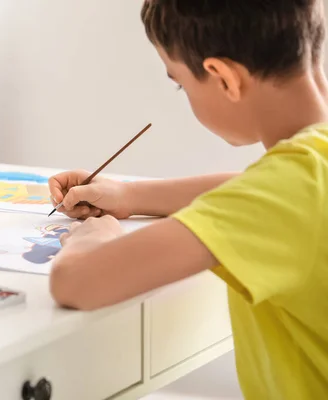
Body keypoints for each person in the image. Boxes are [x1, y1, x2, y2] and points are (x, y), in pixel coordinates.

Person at [48, 1, 328, 398]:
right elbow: (263, 191)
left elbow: (76, 283)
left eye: (180, 82)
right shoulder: (304, 176)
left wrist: (93, 235)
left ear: (223, 77)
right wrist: (129, 194)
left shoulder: (280, 196)